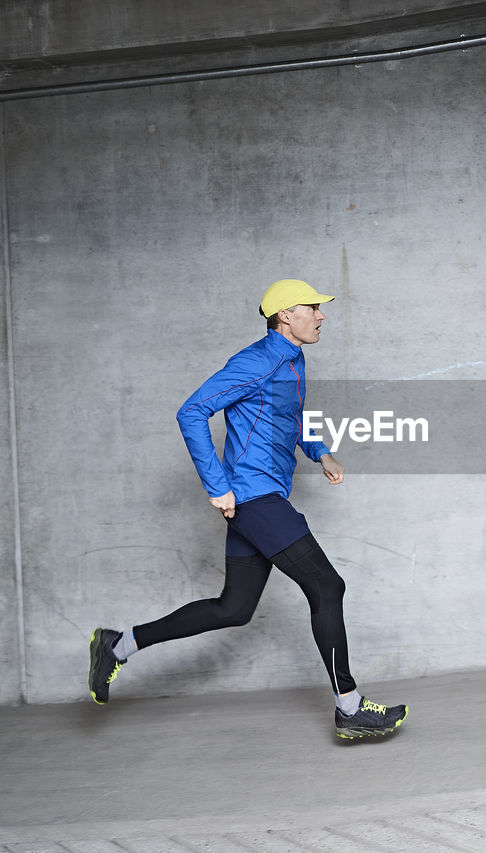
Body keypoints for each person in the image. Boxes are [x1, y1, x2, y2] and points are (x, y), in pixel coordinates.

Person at [87, 278, 407, 740]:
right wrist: (217, 486)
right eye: (310, 308)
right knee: (328, 586)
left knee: (233, 607)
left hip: (264, 495)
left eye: (320, 308)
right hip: (252, 496)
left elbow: (289, 418)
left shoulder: (294, 359)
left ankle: (119, 645)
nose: (320, 315)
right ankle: (349, 706)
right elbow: (192, 411)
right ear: (284, 316)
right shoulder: (255, 361)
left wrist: (320, 452)